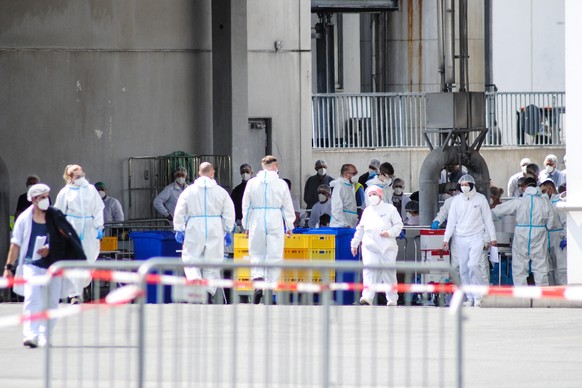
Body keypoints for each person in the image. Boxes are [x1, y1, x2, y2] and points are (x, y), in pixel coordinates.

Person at [4, 183, 85, 347]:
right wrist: (8, 267)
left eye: (47, 196)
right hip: (31, 264)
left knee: (52, 301)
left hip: (53, 265)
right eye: (42, 197)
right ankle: (31, 334)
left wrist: (50, 247)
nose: (46, 200)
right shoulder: (24, 219)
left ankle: (45, 334)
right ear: (33, 199)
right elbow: (16, 244)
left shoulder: (55, 216)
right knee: (32, 298)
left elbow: (66, 237)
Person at [174, 162, 235, 303]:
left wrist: (179, 228)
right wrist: (228, 229)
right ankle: (208, 290)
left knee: (191, 258)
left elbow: (180, 210)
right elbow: (229, 212)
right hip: (215, 226)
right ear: (212, 172)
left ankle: (196, 284)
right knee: (213, 261)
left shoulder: (189, 191)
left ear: (199, 173)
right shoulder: (221, 192)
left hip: (194, 226)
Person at [242, 155, 296, 304]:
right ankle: (270, 288)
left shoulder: (252, 183)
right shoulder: (281, 184)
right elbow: (287, 205)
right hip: (274, 217)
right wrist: (289, 225)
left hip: (257, 217)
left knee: (257, 252)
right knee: (274, 253)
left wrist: (246, 225)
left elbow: (246, 205)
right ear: (274, 166)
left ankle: (258, 282)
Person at [442, 174, 497, 307]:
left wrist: (492, 238)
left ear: (472, 185)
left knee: (473, 265)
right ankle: (470, 297)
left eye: (467, 185)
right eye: (462, 185)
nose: (464, 187)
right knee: (463, 269)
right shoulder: (456, 201)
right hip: (460, 238)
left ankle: (478, 295)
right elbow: (451, 221)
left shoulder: (481, 199)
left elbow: (488, 219)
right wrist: (446, 239)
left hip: (476, 237)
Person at [54, 164, 104, 304]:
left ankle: (83, 285)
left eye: (82, 175)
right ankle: (75, 294)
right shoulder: (65, 192)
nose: (80, 178)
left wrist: (99, 226)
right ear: (70, 177)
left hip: (89, 228)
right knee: (74, 262)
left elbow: (98, 208)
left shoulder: (91, 190)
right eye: (77, 176)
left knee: (89, 260)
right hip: (72, 228)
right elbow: (59, 213)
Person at [492, 177, 554, 287]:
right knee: (541, 268)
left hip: (522, 234)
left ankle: (522, 298)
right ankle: (543, 300)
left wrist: (483, 216)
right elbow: (551, 223)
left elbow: (498, 211)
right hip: (539, 234)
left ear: (524, 187)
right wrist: (544, 228)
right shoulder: (545, 202)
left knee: (519, 268)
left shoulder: (519, 201)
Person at [351, 185, 403, 306]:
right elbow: (361, 229)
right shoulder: (367, 211)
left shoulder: (390, 209)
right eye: (370, 195)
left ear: (380, 196)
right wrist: (354, 243)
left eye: (374, 194)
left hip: (388, 247)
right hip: (370, 247)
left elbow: (398, 225)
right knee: (369, 270)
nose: (372, 197)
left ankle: (392, 298)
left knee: (389, 272)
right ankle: (367, 297)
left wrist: (389, 233)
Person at [540, 180, 567, 285]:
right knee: (550, 270)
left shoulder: (559, 203)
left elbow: (566, 222)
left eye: (543, 191)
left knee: (561, 269)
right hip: (548, 238)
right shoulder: (547, 203)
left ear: (549, 189)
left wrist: (564, 237)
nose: (541, 194)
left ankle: (563, 295)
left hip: (558, 237)